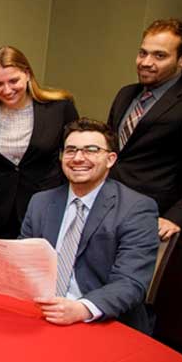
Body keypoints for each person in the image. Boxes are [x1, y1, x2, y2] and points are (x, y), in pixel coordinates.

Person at [20, 118, 158, 334]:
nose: (78, 158)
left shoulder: (136, 208)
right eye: (71, 150)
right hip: (42, 314)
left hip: (102, 321)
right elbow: (24, 260)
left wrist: (81, 309)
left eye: (91, 150)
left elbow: (131, 282)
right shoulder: (41, 202)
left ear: (110, 159)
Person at [0, 46, 79, 239]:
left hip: (46, 208)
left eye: (13, 81)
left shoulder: (59, 108)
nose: (7, 90)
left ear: (27, 74)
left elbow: (74, 153)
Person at [106, 18, 182, 241]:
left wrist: (176, 217)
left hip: (153, 218)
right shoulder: (126, 94)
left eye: (160, 56)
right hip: (109, 209)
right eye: (143, 53)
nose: (146, 62)